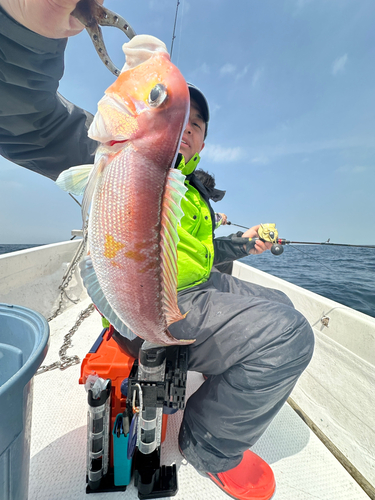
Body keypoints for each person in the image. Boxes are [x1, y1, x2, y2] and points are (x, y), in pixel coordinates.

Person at [0, 3, 315, 499]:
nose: (187, 125)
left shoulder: (195, 194)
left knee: (283, 307)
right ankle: (209, 445)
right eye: (179, 114)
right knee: (290, 336)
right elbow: (26, 120)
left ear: (203, 142)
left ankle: (205, 371)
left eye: (197, 123)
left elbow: (199, 250)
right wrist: (24, 27)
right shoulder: (115, 150)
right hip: (159, 302)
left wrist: (244, 242)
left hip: (195, 287)